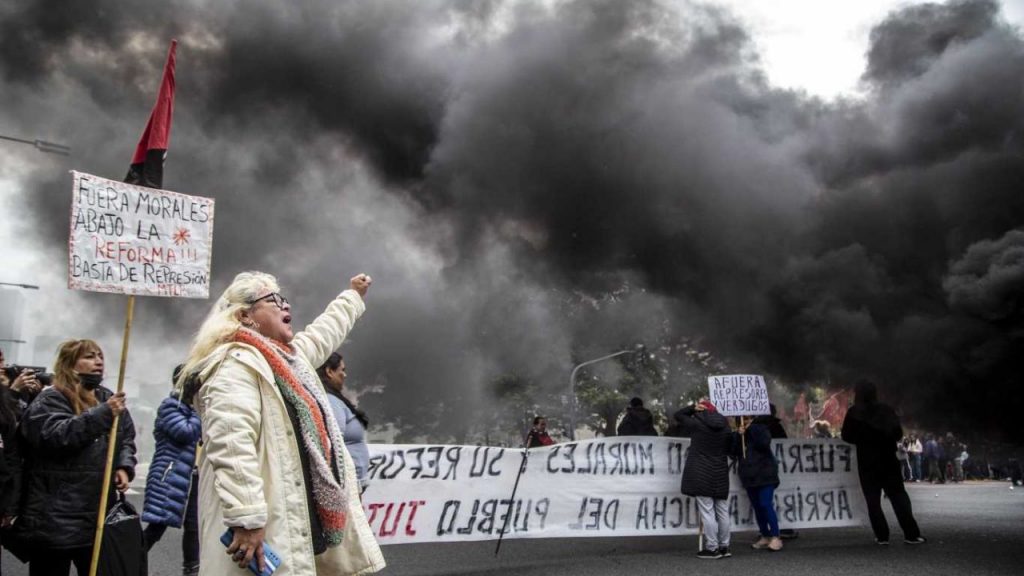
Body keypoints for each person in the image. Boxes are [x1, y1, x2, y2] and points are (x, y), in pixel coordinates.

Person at [179, 271, 384, 576]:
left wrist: (352, 296)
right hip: (265, 525)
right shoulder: (234, 363)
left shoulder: (288, 362)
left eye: (284, 298)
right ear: (245, 316)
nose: (285, 305)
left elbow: (322, 333)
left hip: (294, 517)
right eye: (273, 299)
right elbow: (232, 444)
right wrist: (246, 519)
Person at [16, 339, 137, 575]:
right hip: (54, 519)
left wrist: (123, 465)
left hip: (97, 517)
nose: (99, 361)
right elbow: (56, 436)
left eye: (100, 356)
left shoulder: (107, 397)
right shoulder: (50, 398)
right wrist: (103, 414)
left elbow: (125, 436)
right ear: (70, 364)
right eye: (90, 357)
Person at [840, 380, 925, 545]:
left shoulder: (854, 412)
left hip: (866, 462)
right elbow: (898, 434)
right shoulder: (886, 410)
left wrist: (863, 439)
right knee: (898, 496)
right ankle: (911, 534)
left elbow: (846, 436)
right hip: (888, 460)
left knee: (873, 501)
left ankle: (882, 536)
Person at [141, 366, 203, 576]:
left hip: (192, 476)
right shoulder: (170, 406)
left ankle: (191, 570)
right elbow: (186, 432)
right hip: (170, 475)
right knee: (158, 525)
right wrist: (199, 411)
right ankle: (131, 561)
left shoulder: (190, 408)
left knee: (193, 528)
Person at [674, 399, 732, 559]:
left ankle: (712, 548)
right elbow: (731, 447)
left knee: (707, 511)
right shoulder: (726, 426)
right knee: (722, 510)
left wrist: (692, 407)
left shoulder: (696, 424)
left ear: (701, 410)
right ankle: (724, 547)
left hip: (701, 472)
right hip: (720, 472)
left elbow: (678, 415)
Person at [318, 352, 371, 493]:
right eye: (342, 370)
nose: (345, 375)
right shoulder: (331, 401)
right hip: (347, 486)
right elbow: (334, 442)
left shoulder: (334, 400)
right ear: (329, 371)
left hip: (353, 483)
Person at [733, 417, 782, 551]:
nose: (745, 420)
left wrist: (751, 429)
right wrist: (738, 435)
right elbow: (733, 452)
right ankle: (765, 535)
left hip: (765, 474)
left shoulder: (761, 428)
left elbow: (764, 443)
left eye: (748, 418)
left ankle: (776, 537)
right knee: (757, 507)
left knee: (765, 504)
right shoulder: (739, 433)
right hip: (749, 476)